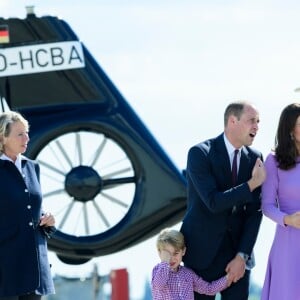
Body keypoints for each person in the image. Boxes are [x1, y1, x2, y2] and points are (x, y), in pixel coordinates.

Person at [180, 101, 266, 300]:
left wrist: (242, 255)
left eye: (258, 122)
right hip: (201, 255)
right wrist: (251, 184)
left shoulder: (255, 158)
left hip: (238, 257)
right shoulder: (199, 154)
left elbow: (255, 212)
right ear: (232, 121)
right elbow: (213, 202)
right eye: (251, 121)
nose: (257, 127)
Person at [0, 111, 56, 300]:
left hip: (34, 266)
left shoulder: (33, 167)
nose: (27, 138)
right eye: (20, 134)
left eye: (27, 132)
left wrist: (48, 221)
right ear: (3, 137)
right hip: (6, 267)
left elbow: (31, 209)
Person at [260, 103, 300, 300]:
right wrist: (288, 220)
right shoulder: (274, 161)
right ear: (290, 129)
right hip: (289, 242)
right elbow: (266, 205)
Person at [151, 228, 233, 299]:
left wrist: (228, 277)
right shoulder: (158, 271)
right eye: (168, 254)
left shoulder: (188, 274)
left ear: (183, 251)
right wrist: (165, 262)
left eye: (176, 253)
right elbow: (159, 285)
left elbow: (209, 289)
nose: (172, 258)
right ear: (159, 252)